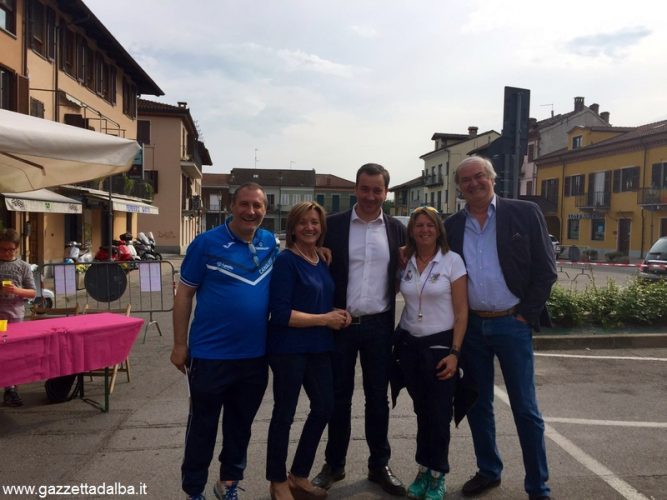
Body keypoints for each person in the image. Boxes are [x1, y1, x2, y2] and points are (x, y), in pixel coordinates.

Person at [444, 156, 557, 500]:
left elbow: (545, 269)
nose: (473, 183)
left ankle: (538, 486)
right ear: (460, 188)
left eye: (479, 176)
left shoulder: (524, 213)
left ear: (492, 179)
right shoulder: (452, 226)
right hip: (473, 327)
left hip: (512, 323)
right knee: (478, 404)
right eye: (466, 180)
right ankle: (488, 470)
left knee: (525, 408)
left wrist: (526, 314)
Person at [171, 182, 279, 500]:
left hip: (254, 356)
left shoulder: (270, 242)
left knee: (239, 427)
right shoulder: (206, 243)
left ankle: (228, 484)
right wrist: (179, 344)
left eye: (257, 206)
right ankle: (193, 490)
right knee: (202, 427)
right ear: (232, 206)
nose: (251, 211)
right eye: (244, 204)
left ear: (265, 210)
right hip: (209, 355)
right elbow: (184, 294)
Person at [312, 163, 408, 497]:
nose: (370, 196)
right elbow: (303, 250)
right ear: (356, 189)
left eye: (377, 190)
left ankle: (378, 464)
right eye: (365, 189)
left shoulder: (396, 230)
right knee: (337, 398)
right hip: (340, 324)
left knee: (377, 400)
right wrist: (315, 250)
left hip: (380, 325)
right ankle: (334, 464)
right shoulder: (333, 226)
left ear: (385, 192)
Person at [265, 201, 351, 500]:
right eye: (303, 222)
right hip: (289, 348)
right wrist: (324, 319)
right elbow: (280, 313)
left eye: (315, 222)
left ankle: (298, 474)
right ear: (292, 228)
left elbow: (318, 301)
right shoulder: (286, 261)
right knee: (284, 414)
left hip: (318, 347)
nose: (310, 227)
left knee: (325, 407)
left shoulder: (320, 258)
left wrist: (335, 313)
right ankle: (277, 481)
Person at [395, 207, 468, 500]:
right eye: (419, 225)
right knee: (422, 413)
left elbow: (462, 312)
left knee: (439, 415)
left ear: (438, 230)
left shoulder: (452, 261)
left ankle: (438, 475)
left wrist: (455, 352)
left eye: (430, 225)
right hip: (411, 347)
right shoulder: (406, 261)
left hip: (441, 347)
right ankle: (423, 469)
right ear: (411, 230)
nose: (424, 230)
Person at [0, 228, 36, 407]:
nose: (7, 253)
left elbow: (32, 293)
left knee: (14, 351)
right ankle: (8, 387)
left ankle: (12, 388)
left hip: (15, 316)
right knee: (2, 350)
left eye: (10, 250)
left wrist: (16, 290)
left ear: (17, 249)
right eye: (3, 249)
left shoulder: (23, 266)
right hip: (0, 318)